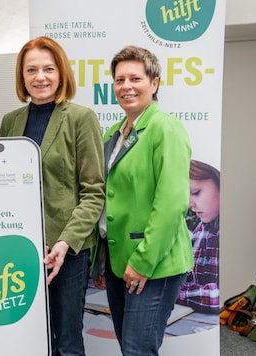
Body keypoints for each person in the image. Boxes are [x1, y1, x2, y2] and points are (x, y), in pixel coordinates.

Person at [0, 36, 105, 355]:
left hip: (67, 252)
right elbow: (2, 186)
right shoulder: (10, 121)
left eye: (48, 68)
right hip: (21, 249)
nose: (40, 77)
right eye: (31, 70)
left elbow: (93, 192)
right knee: (27, 338)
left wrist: (63, 242)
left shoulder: (80, 118)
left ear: (61, 73)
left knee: (67, 341)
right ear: (22, 76)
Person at [95, 45, 193, 356]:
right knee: (130, 348)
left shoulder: (165, 128)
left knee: (138, 350)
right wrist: (101, 261)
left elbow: (172, 203)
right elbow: (106, 199)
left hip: (151, 262)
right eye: (119, 79)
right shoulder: (113, 133)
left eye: (135, 78)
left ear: (154, 83)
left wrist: (143, 262)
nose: (126, 86)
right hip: (117, 261)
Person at [177, 159, 220, 314]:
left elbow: (220, 296)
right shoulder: (201, 230)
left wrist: (173, 293)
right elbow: (190, 276)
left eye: (196, 192)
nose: (189, 203)